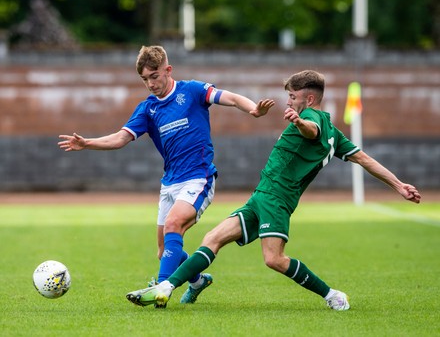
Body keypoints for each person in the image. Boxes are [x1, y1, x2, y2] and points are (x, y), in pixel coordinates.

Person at [126, 69, 422, 310]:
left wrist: (299, 121)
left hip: (277, 200)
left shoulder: (314, 119)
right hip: (261, 197)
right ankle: (167, 287)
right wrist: (398, 184)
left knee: (274, 259)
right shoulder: (336, 134)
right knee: (213, 238)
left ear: (308, 97)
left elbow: (311, 129)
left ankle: (331, 294)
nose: (289, 103)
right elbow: (364, 159)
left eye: (292, 97)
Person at [58, 45, 274, 306]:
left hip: (199, 177)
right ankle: (197, 280)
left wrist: (253, 109)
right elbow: (120, 138)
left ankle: (161, 289)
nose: (150, 84)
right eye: (145, 79)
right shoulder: (147, 109)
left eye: (154, 76)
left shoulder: (192, 91)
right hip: (170, 182)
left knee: (174, 225)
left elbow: (230, 97)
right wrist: (87, 143)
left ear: (168, 70)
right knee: (164, 250)